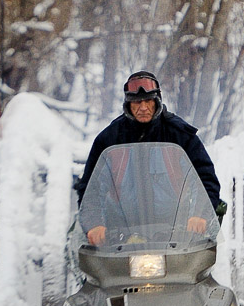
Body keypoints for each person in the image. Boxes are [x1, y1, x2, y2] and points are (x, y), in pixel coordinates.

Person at [75, 71, 226, 245]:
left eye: (148, 101)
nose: (143, 107)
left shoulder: (181, 135)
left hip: (176, 232)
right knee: (90, 267)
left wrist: (200, 214)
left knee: (200, 270)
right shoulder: (108, 140)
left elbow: (205, 177)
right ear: (128, 105)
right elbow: (90, 187)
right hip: (118, 235)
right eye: (137, 102)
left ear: (157, 101)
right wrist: (94, 224)